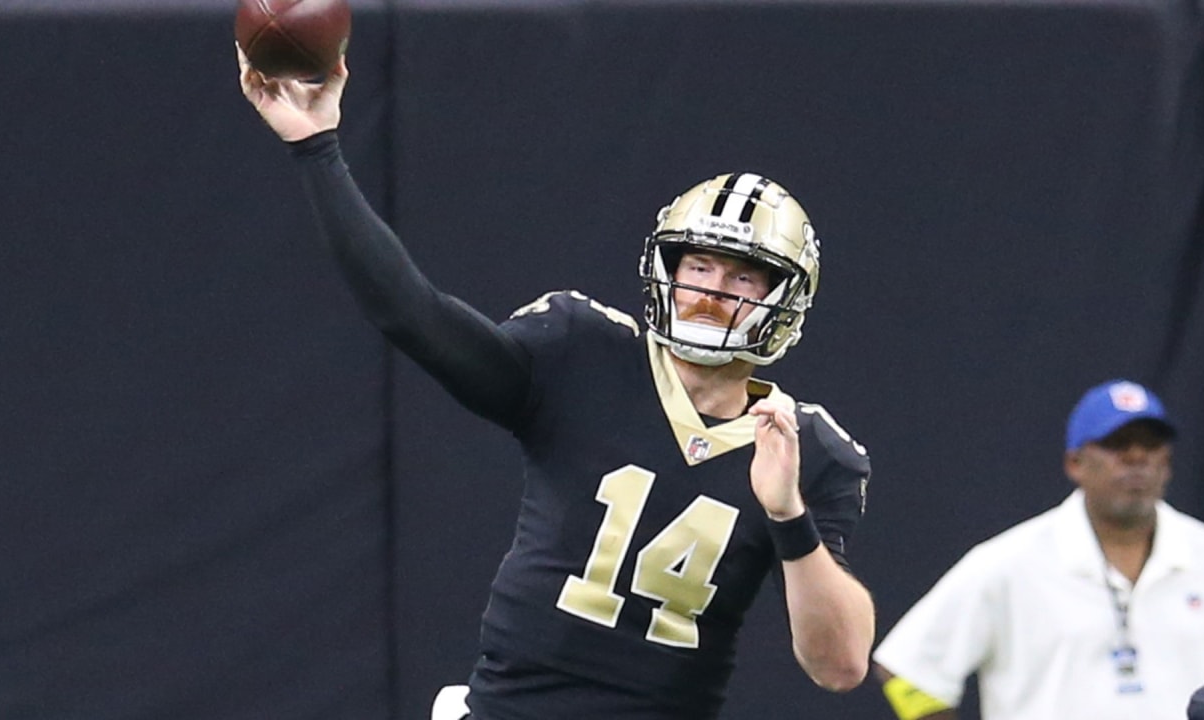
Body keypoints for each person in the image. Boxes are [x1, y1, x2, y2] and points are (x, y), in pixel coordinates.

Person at [237, 49, 875, 719]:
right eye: (698, 265)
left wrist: (787, 517)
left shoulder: (807, 451)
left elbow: (840, 665)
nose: (710, 292)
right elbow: (410, 313)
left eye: (743, 277)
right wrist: (318, 149)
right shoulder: (584, 351)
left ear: (783, 300)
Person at [872, 379, 1204, 720]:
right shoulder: (1010, 563)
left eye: (1151, 444)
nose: (1136, 457)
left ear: (1167, 460)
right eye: (1118, 443)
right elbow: (908, 668)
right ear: (1075, 463)